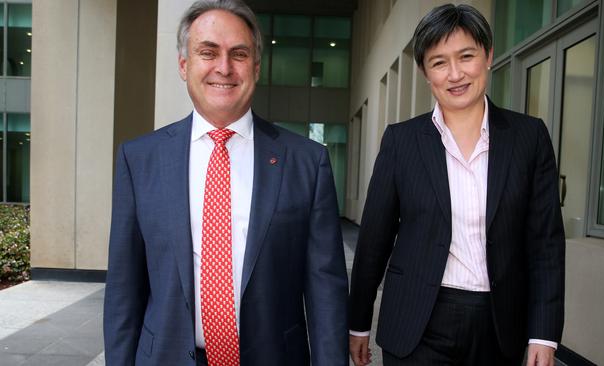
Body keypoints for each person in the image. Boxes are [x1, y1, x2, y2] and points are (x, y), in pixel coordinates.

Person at [103, 1, 349, 365]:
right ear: (184, 65)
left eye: (239, 53)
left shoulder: (306, 162)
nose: (224, 67)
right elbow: (124, 290)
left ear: (256, 67)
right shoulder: (139, 160)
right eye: (208, 52)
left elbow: (325, 290)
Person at [348, 4, 565, 366]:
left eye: (466, 56)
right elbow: (374, 240)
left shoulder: (529, 137)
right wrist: (358, 323)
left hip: (499, 324)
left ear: (488, 56)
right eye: (438, 62)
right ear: (424, 72)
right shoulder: (402, 142)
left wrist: (544, 333)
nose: (455, 74)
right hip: (418, 322)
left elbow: (545, 244)